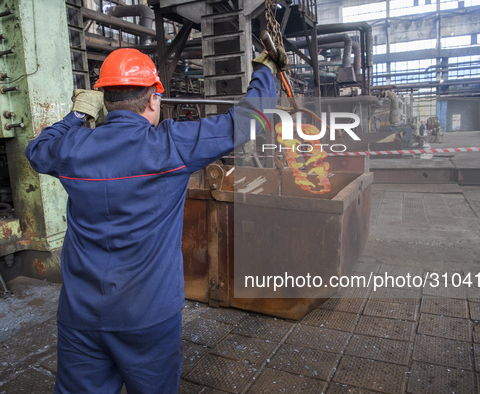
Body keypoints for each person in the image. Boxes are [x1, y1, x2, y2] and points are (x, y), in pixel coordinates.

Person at [25, 47, 285, 393]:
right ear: (152, 100)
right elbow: (252, 120)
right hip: (147, 316)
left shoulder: (73, 147)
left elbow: (37, 149)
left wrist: (76, 115)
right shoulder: (171, 145)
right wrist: (266, 70)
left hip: (80, 314)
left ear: (104, 100)